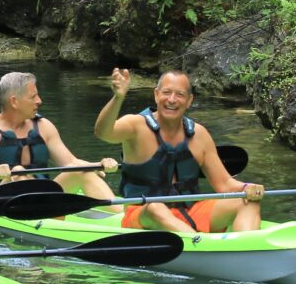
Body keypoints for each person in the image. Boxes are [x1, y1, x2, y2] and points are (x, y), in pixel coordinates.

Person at [94, 68, 265, 233]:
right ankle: (200, 246)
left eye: (180, 95)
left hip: (190, 212)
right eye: (166, 92)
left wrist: (247, 187)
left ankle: (244, 250)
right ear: (156, 95)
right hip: (144, 214)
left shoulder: (199, 134)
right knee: (156, 208)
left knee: (248, 202)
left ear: (189, 100)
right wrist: (118, 98)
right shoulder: (136, 125)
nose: (172, 100)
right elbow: (103, 133)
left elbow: (224, 184)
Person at [0, 71, 120, 206]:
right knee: (19, 172)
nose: (39, 101)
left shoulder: (43, 126)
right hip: (1, 202)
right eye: (33, 96)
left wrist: (99, 164)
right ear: (14, 101)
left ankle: (122, 217)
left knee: (79, 169)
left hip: (43, 198)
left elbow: (71, 163)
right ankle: (43, 213)